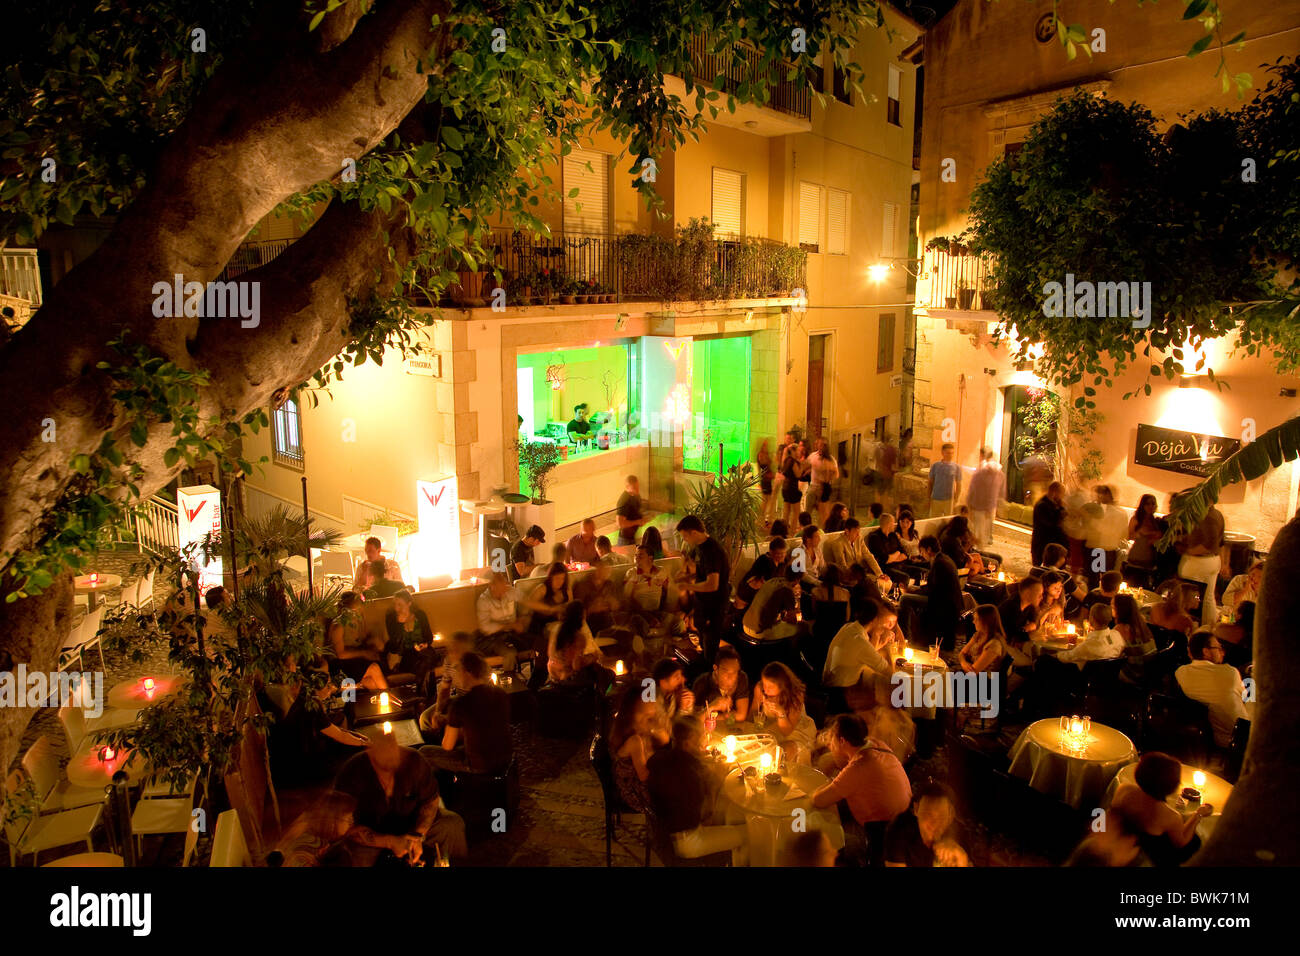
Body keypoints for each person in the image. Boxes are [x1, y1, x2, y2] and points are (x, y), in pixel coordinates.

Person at [333, 734, 468, 866]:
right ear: (370, 753)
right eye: (383, 759)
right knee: (351, 856)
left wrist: (417, 835)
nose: (390, 760)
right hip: (373, 834)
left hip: (412, 825)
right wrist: (389, 841)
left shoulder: (414, 761)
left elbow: (431, 801)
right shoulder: (352, 773)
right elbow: (344, 828)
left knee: (451, 824)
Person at [646, 716, 749, 865]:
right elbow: (707, 817)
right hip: (687, 842)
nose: (705, 740)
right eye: (701, 736)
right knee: (748, 834)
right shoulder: (690, 773)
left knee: (730, 819)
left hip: (663, 836)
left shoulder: (661, 757)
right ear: (689, 742)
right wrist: (716, 781)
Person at [813, 713, 912, 863]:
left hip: (886, 833)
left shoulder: (859, 766)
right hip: (906, 816)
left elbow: (819, 800)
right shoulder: (876, 744)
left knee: (822, 820)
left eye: (832, 738)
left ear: (842, 741)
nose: (829, 744)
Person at [1110, 752, 1212, 866]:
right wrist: (1198, 814)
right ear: (1172, 785)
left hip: (1123, 843)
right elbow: (1180, 843)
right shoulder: (1170, 815)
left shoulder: (1124, 789)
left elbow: (1113, 814)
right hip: (1149, 857)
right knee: (1196, 841)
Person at [420, 651, 511, 775]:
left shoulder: (460, 703)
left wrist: (444, 725)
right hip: (505, 758)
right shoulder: (500, 693)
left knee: (424, 751)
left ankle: (440, 789)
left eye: (459, 671)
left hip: (479, 765)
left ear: (467, 673)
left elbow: (447, 746)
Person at [1175, 630, 1249, 747]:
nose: (1222, 653)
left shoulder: (1181, 673)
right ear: (1206, 652)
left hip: (1213, 738)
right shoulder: (1229, 672)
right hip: (1242, 735)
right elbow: (1247, 698)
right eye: (1218, 649)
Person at [676, 515, 730, 661]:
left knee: (710, 648)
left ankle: (710, 674)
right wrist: (686, 578)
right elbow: (702, 574)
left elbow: (713, 584)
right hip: (703, 606)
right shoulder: (700, 549)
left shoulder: (712, 551)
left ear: (694, 533)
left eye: (685, 536)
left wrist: (687, 585)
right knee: (703, 642)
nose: (685, 540)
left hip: (713, 607)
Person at [823, 599, 896, 700]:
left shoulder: (849, 627)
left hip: (830, 685)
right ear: (875, 620)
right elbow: (887, 671)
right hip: (839, 694)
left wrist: (879, 639)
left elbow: (866, 653)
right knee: (884, 694)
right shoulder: (859, 641)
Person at [885, 781, 969, 867]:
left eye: (941, 816)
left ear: (950, 815)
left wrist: (962, 860)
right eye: (928, 814)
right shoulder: (899, 831)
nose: (934, 822)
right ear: (916, 809)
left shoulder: (960, 835)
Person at [609, 684, 663, 815]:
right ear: (631, 713)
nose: (648, 717)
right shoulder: (634, 740)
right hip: (634, 793)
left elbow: (664, 740)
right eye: (643, 713)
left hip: (640, 784)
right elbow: (644, 776)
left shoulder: (641, 730)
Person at [1174, 495, 1225, 627]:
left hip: (1199, 562)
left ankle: (1190, 626)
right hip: (1213, 561)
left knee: (1190, 598)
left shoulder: (1207, 517)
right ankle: (1208, 627)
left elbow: (1210, 544)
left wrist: (1188, 551)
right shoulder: (1218, 514)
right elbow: (1222, 542)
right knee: (1208, 598)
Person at [269, 792, 357, 867]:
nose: (351, 824)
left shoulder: (320, 840)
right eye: (349, 819)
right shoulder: (304, 842)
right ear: (333, 820)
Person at [751, 661, 817, 755]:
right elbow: (753, 713)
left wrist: (780, 712)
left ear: (782, 686)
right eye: (765, 684)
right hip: (772, 729)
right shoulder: (760, 689)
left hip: (795, 731)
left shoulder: (795, 695)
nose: (766, 689)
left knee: (782, 752)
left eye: (770, 686)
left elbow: (786, 731)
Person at [523, 562, 571, 689]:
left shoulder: (566, 591)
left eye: (562, 578)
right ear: (550, 577)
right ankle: (534, 686)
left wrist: (563, 612)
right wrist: (550, 609)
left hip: (557, 631)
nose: (559, 582)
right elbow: (528, 603)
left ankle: (560, 681)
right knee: (547, 654)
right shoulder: (543, 588)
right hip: (538, 631)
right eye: (556, 578)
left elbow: (571, 608)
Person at [327, 591, 387, 690]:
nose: (359, 612)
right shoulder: (338, 625)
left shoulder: (357, 621)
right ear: (346, 609)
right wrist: (363, 653)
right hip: (340, 665)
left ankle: (382, 703)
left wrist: (373, 641)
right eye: (356, 609)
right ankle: (391, 699)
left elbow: (361, 640)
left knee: (370, 682)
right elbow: (340, 654)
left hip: (354, 660)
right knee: (374, 668)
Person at [383, 589, 437, 691]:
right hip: (404, 654)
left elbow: (429, 637)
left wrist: (425, 644)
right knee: (427, 660)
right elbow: (394, 644)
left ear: (409, 603)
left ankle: (419, 691)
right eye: (395, 604)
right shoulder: (391, 618)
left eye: (400, 605)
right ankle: (423, 693)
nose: (396, 608)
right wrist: (400, 624)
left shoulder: (420, 615)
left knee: (427, 655)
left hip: (421, 651)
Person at [917, 535, 963, 650]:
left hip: (944, 604)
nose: (921, 555)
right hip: (950, 601)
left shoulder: (939, 563)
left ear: (928, 549)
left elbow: (934, 590)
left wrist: (917, 591)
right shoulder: (944, 558)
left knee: (905, 599)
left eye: (922, 551)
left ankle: (910, 637)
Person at [545, 601, 604, 686]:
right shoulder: (578, 637)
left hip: (552, 669)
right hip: (565, 676)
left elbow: (551, 653)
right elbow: (575, 665)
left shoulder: (556, 628)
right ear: (581, 617)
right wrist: (593, 657)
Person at [1082, 485, 1129, 583]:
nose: (1100, 496)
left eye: (1103, 493)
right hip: (1109, 551)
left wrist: (1088, 518)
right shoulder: (1121, 512)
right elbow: (1124, 534)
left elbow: (1098, 528)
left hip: (1099, 550)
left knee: (1095, 580)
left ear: (1109, 495)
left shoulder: (1107, 511)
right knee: (1106, 581)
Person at [692, 646, 751, 721]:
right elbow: (695, 719)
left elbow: (741, 715)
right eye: (726, 672)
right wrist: (713, 706)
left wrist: (712, 716)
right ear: (716, 669)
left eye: (735, 672)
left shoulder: (741, 678)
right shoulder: (702, 683)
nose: (731, 677)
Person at [1058, 603, 1125, 667]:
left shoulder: (1090, 645)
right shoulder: (1117, 636)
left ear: (1092, 618)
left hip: (1083, 677)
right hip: (1109, 676)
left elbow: (1066, 657)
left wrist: (1056, 654)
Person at [476, 571, 528, 650]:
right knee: (509, 654)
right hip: (495, 637)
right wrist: (509, 626)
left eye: (504, 580)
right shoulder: (484, 600)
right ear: (492, 586)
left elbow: (526, 602)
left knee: (536, 642)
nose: (505, 583)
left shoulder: (510, 591)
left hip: (513, 633)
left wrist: (523, 618)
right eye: (501, 581)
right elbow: (485, 627)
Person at [965, 447, 1005, 546]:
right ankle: (986, 544)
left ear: (982, 455)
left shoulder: (980, 472)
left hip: (978, 504)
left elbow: (973, 488)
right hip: (991, 505)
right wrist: (999, 503)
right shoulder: (1000, 473)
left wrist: (969, 502)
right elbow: (1002, 491)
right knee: (987, 529)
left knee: (978, 530)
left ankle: (979, 551)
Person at [1115, 593, 1157, 685]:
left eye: (1112, 607)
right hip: (1150, 673)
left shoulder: (1121, 629)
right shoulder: (1141, 623)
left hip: (1133, 675)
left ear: (1120, 609)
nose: (1111, 609)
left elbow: (1112, 653)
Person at [572, 559, 621, 634]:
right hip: (591, 623)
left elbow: (616, 606)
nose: (608, 573)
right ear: (597, 569)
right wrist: (592, 609)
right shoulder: (583, 585)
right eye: (604, 569)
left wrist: (613, 604)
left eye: (608, 570)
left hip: (609, 620)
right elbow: (576, 612)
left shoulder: (609, 584)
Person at [958, 605, 1007, 674]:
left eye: (976, 619)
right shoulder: (979, 634)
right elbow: (962, 653)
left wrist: (964, 663)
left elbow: (973, 672)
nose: (973, 622)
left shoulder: (994, 644)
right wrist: (964, 663)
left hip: (984, 680)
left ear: (986, 621)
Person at [1030, 481, 1068, 567]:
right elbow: (1051, 524)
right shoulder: (1042, 505)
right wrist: (1061, 511)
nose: (1062, 497)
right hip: (1042, 544)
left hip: (1049, 544)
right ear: (1055, 492)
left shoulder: (1054, 505)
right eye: (1062, 494)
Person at [867, 513, 911, 586]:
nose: (894, 525)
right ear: (888, 524)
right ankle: (903, 596)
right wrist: (897, 553)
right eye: (893, 523)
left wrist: (892, 558)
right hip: (886, 569)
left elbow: (904, 553)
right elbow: (884, 560)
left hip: (901, 565)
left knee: (920, 572)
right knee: (905, 577)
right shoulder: (874, 537)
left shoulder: (893, 535)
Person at [998, 577, 1043, 646]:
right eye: (1039, 594)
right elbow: (1014, 635)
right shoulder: (1010, 607)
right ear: (1027, 593)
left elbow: (1034, 620)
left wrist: (1032, 625)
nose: (1041, 597)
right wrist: (1025, 629)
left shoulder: (1030, 605)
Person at [806, 436, 841, 525]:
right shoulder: (813, 456)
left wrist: (828, 479)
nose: (820, 446)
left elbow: (836, 474)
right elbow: (806, 465)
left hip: (824, 488)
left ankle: (821, 531)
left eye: (822, 444)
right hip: (813, 486)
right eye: (819, 444)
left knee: (823, 513)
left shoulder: (831, 459)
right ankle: (806, 529)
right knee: (808, 511)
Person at [1126, 494, 1163, 574]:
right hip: (1137, 558)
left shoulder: (1157, 521)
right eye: (1147, 504)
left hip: (1151, 561)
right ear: (1143, 505)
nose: (1150, 506)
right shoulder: (1136, 519)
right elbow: (1129, 536)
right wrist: (1140, 533)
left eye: (1153, 503)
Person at [926, 442, 962, 518]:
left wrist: (956, 498)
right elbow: (930, 482)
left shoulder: (956, 467)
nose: (950, 455)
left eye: (952, 453)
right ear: (942, 453)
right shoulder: (935, 466)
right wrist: (928, 498)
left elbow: (959, 484)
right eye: (948, 453)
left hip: (949, 499)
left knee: (948, 520)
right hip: (936, 498)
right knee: (933, 520)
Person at [780, 442, 807, 530]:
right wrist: (802, 465)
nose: (799, 452)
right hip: (792, 488)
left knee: (786, 511)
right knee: (796, 512)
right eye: (798, 450)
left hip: (785, 487)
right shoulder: (793, 461)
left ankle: (784, 530)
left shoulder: (786, 460)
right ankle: (792, 532)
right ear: (794, 451)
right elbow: (798, 474)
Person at [616, 475, 647, 546]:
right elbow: (620, 523)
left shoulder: (635, 495)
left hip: (634, 537)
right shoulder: (623, 500)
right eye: (634, 488)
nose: (637, 490)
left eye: (638, 487)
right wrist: (638, 522)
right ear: (627, 487)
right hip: (625, 540)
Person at [874, 433, 900, 512]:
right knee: (887, 492)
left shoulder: (878, 449)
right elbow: (895, 462)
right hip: (888, 472)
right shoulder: (892, 449)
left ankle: (877, 509)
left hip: (880, 472)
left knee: (879, 491)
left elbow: (877, 461)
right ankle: (885, 509)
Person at [757, 440, 776, 527]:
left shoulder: (765, 454)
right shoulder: (761, 455)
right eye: (765, 445)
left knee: (768, 500)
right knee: (765, 500)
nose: (766, 447)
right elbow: (763, 465)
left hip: (767, 480)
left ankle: (764, 519)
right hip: (765, 479)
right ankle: (760, 519)